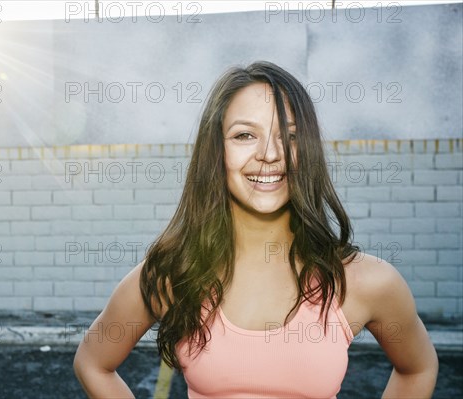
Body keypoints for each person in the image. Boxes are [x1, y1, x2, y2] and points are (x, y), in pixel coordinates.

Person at [73, 61, 439, 398]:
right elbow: (93, 362)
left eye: (290, 136)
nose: (269, 153)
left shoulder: (367, 281)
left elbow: (417, 368)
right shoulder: (174, 272)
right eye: (245, 135)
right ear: (216, 151)